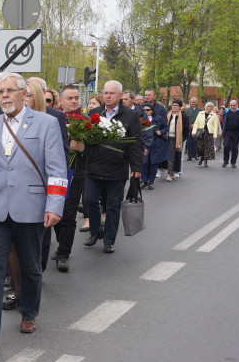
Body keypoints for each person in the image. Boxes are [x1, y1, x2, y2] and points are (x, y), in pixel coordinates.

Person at [0, 73, 66, 347]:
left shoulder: (46, 124)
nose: (5, 96)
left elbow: (57, 169)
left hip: (32, 207)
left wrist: (54, 205)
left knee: (31, 266)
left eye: (11, 90)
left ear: (24, 93)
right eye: (0, 92)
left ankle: (29, 313)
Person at [82, 81, 143, 254]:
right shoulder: (94, 113)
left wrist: (136, 166)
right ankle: (95, 231)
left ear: (120, 96)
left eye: (112, 93)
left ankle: (109, 240)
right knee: (90, 200)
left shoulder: (130, 116)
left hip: (117, 168)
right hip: (94, 166)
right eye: (106, 93)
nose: (108, 96)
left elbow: (137, 143)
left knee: (112, 205)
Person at [52, 84, 88, 272]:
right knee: (54, 212)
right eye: (69, 98)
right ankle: (61, 242)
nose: (74, 101)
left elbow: (98, 150)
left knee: (68, 213)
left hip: (75, 172)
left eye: (76, 98)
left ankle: (64, 253)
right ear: (61, 101)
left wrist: (83, 149)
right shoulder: (51, 118)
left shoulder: (88, 121)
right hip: (54, 175)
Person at [140, 105, 170, 189]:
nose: (146, 111)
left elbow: (166, 127)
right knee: (144, 162)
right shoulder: (140, 119)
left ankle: (151, 182)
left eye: (148, 110)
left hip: (156, 143)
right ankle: (143, 180)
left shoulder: (158, 118)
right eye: (144, 110)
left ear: (152, 110)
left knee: (153, 163)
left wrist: (161, 131)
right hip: (144, 143)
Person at [165, 99, 189, 180]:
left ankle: (171, 172)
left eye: (176, 106)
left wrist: (181, 140)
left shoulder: (184, 117)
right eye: (173, 105)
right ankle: (169, 174)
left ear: (180, 107)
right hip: (168, 138)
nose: (174, 107)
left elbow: (186, 130)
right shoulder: (168, 115)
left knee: (175, 156)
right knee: (170, 156)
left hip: (177, 139)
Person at [191, 101, 221, 167]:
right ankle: (202, 158)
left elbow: (216, 125)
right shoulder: (200, 113)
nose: (210, 108)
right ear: (206, 107)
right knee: (200, 147)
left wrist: (215, 135)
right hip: (201, 132)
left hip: (209, 133)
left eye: (212, 106)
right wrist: (193, 132)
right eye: (209, 106)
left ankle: (205, 162)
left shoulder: (214, 115)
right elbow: (196, 123)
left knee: (208, 148)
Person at [220, 99, 239, 168]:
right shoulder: (226, 112)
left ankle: (233, 162)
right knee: (226, 146)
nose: (232, 106)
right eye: (231, 105)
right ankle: (225, 161)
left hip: (236, 133)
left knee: (235, 148)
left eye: (234, 105)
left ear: (237, 105)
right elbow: (224, 120)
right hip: (227, 132)